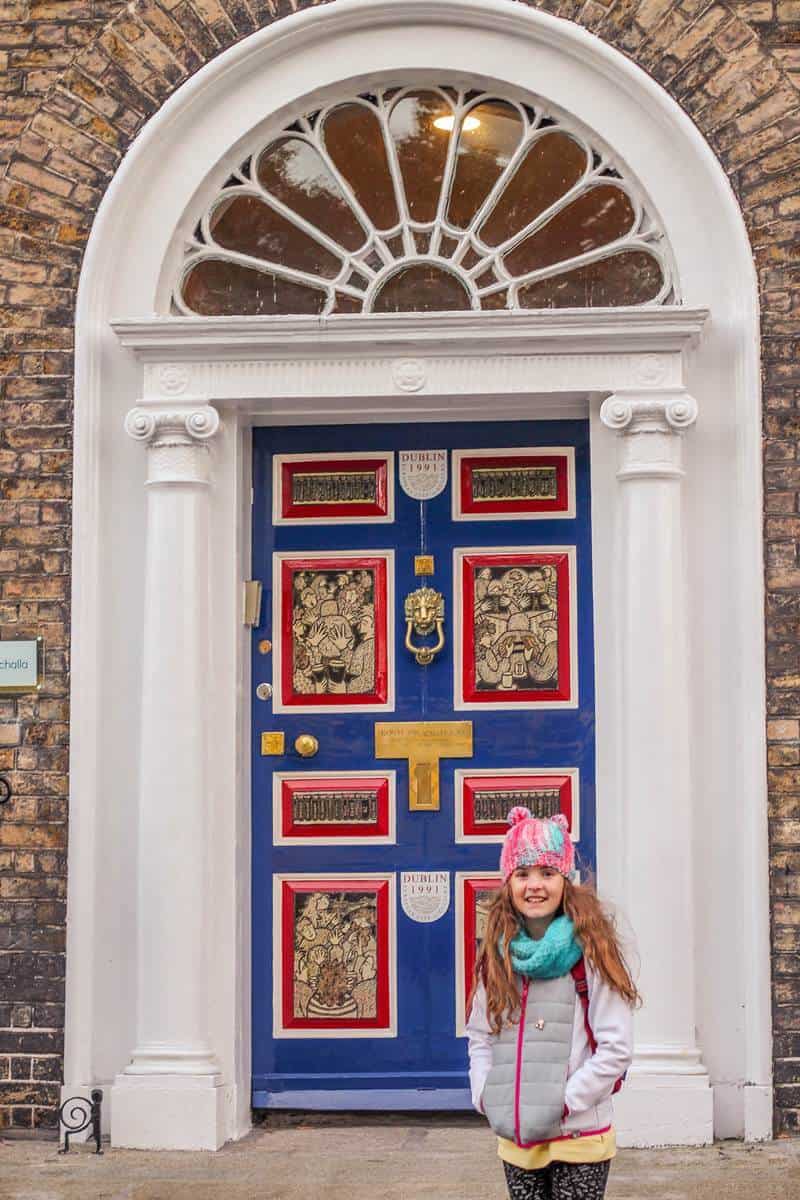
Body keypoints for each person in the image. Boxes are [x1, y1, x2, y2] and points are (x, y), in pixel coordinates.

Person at [466, 807, 639, 1200]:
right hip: (518, 1139)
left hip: (579, 1134)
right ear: (508, 882)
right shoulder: (498, 955)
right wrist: (485, 1094)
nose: (535, 885)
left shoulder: (591, 952)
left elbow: (615, 1048)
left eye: (547, 873)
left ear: (566, 880)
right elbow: (480, 1035)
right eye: (523, 874)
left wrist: (560, 1103)